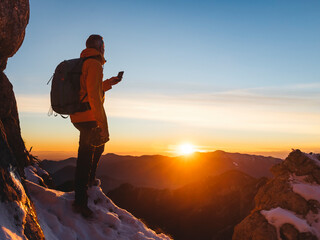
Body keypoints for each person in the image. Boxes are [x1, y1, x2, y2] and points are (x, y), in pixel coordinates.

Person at [70, 34, 122, 218]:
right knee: (85, 155)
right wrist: (103, 124)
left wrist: (110, 82)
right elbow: (93, 96)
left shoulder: (83, 63)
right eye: (104, 46)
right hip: (88, 116)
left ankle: (89, 183)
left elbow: (91, 88)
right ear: (99, 47)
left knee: (97, 146)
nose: (104, 50)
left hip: (78, 115)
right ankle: (80, 201)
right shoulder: (94, 64)